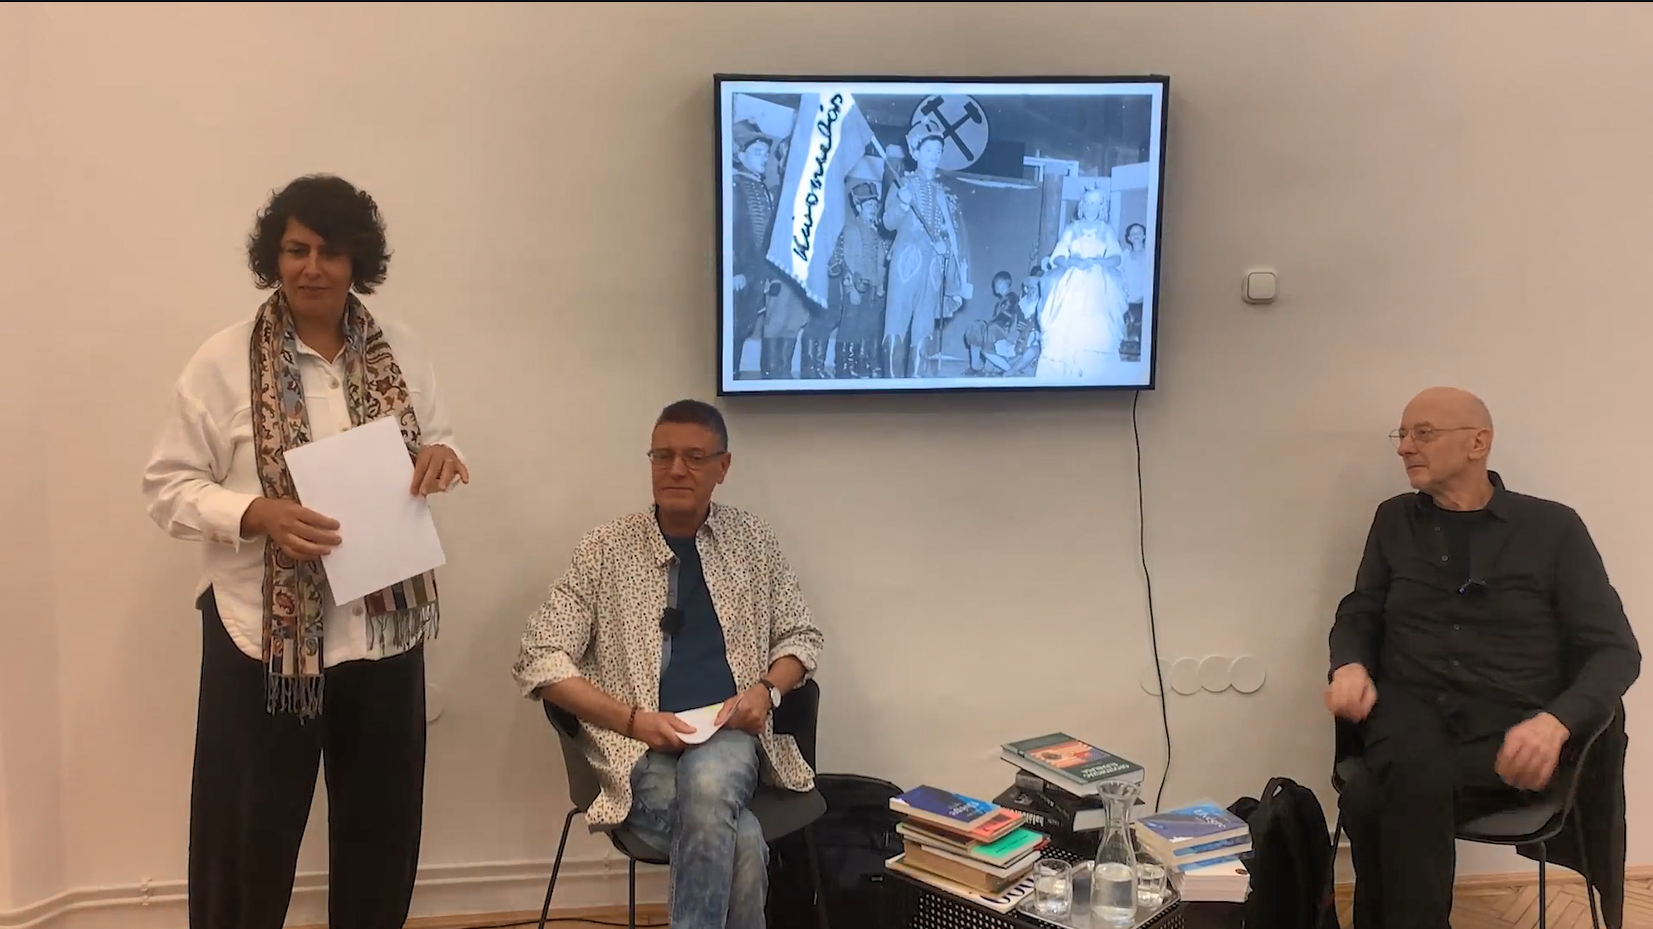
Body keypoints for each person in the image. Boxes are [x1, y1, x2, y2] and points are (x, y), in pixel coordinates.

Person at [142, 174, 469, 929]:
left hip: (382, 634)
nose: (312, 267)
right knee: (245, 841)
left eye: (330, 250)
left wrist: (442, 456)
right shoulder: (222, 361)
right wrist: (255, 512)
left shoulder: (403, 351)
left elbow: (440, 436)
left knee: (382, 835)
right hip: (263, 637)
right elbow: (166, 486)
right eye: (296, 250)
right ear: (273, 257)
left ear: (359, 260)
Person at [1325, 386, 1640, 929]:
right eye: (1402, 434)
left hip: (1508, 735)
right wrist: (1349, 663)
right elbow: (1361, 611)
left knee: (1372, 795)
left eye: (1423, 433)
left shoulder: (1553, 528)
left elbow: (1616, 650)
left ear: (1478, 443)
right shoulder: (1393, 520)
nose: (1404, 447)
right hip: (1405, 715)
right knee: (1409, 766)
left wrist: (1556, 722)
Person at [513, 399, 825, 929]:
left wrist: (766, 691)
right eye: (663, 456)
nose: (676, 469)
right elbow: (538, 657)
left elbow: (801, 635)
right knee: (743, 840)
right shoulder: (605, 548)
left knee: (708, 788)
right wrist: (634, 721)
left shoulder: (753, 541)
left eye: (694, 457)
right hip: (635, 749)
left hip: (727, 731)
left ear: (723, 467)